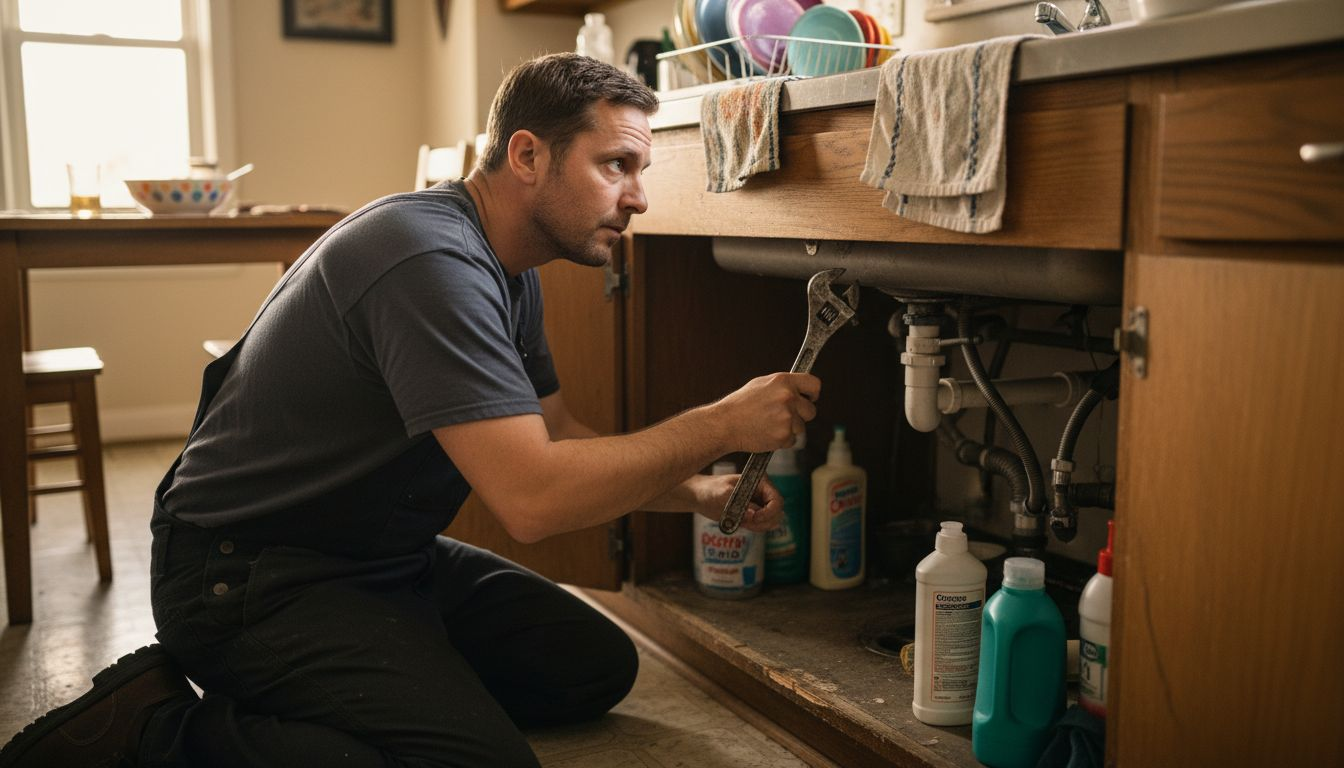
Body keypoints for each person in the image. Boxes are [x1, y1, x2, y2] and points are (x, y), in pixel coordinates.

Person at [0, 53, 820, 768]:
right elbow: (533, 500)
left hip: (377, 557)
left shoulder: (509, 266)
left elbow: (561, 438)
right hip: (244, 572)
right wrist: (719, 424)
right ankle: (153, 729)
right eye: (617, 166)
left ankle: (377, 674)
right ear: (528, 154)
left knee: (591, 667)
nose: (638, 198)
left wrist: (700, 493)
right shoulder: (427, 259)